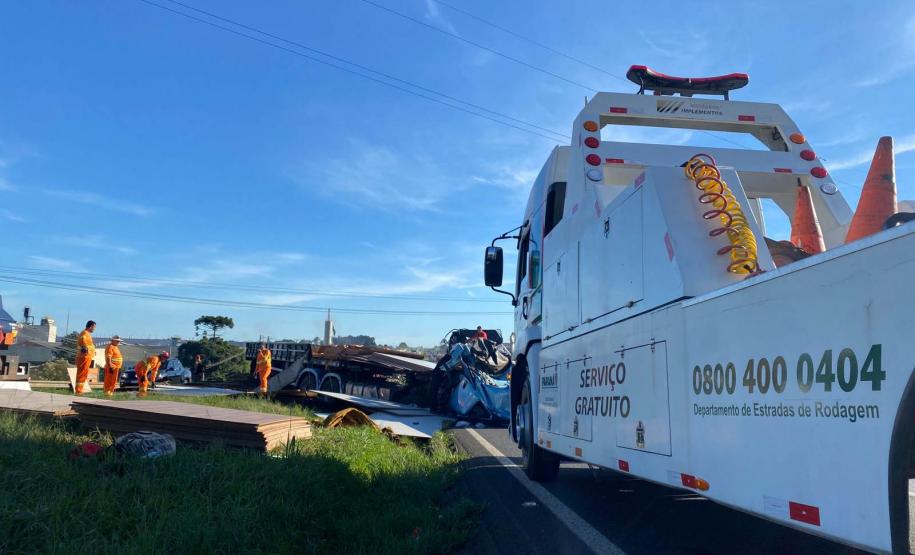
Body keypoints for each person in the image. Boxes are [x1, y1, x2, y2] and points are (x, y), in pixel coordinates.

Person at [75, 321, 96, 395]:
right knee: (82, 373)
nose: (94, 329)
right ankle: (78, 390)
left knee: (84, 373)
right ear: (90, 326)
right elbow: (83, 340)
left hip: (87, 356)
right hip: (84, 356)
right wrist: (84, 347)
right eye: (94, 327)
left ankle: (80, 389)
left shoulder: (87, 334)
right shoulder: (85, 333)